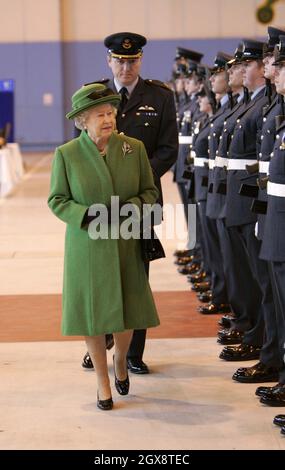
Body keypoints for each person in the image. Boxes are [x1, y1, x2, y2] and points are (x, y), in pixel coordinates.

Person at [48, 83, 160, 410]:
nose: (108, 119)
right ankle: (102, 379)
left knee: (126, 314)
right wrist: (86, 215)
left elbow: (149, 193)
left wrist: (130, 210)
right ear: (83, 120)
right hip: (87, 247)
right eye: (100, 115)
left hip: (125, 241)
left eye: (111, 113)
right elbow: (57, 200)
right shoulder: (66, 155)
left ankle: (121, 360)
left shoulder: (133, 148)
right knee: (94, 317)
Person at [82, 31, 178, 374]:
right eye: (120, 61)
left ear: (140, 61)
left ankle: (133, 352)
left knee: (137, 275)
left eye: (132, 60)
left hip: (142, 199)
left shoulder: (160, 96)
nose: (126, 66)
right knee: (102, 271)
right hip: (102, 201)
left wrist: (135, 177)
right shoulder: (94, 95)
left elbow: (169, 149)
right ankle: (102, 338)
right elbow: (81, 148)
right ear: (109, 61)